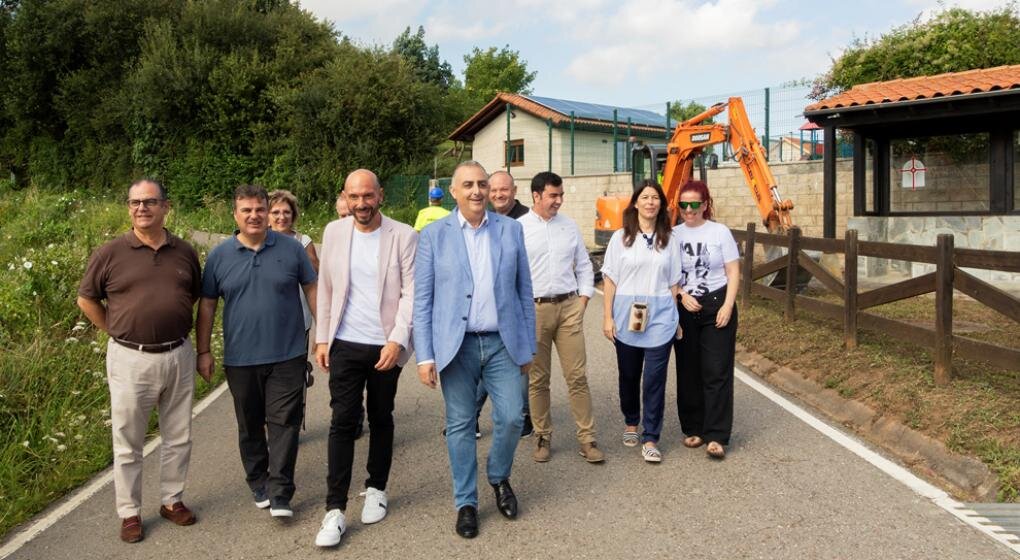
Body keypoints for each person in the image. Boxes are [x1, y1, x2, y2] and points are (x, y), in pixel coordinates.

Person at [414, 161, 535, 539]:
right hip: (457, 346)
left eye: (482, 184)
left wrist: (528, 344)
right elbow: (423, 300)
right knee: (461, 426)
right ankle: (466, 502)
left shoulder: (511, 230)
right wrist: (425, 355)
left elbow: (523, 291)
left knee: (513, 417)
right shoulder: (434, 235)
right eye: (468, 185)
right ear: (453, 191)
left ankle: (498, 477)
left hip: (503, 342)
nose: (477, 191)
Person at [77, 179, 202, 543]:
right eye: (135, 202)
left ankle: (172, 500)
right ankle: (129, 512)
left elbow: (192, 295)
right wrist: (116, 331)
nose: (141, 208)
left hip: (177, 353)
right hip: (130, 358)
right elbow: (87, 300)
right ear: (129, 208)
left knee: (178, 435)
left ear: (166, 206)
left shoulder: (185, 252)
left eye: (149, 202)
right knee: (127, 439)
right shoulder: (109, 253)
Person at [196, 184, 317, 519]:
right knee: (250, 425)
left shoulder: (291, 250)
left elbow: (311, 287)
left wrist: (324, 336)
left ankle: (281, 491)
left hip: (288, 354)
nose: (254, 215)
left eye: (259, 209)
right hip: (241, 358)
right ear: (235, 215)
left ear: (268, 211)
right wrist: (203, 351)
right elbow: (207, 306)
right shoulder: (219, 256)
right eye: (246, 210)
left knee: (285, 422)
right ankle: (258, 479)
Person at [313, 170, 417, 547]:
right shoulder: (334, 232)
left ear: (380, 195)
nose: (361, 204)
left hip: (384, 346)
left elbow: (411, 293)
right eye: (354, 197)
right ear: (345, 197)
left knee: (380, 416)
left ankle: (377, 487)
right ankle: (334, 509)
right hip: (344, 342)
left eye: (368, 196)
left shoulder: (403, 235)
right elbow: (325, 287)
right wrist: (322, 337)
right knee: (342, 421)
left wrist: (396, 339)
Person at [517, 171, 602, 464]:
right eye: (553, 195)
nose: (559, 201)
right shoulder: (519, 228)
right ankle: (542, 435)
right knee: (538, 379)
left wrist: (584, 300)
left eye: (561, 195)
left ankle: (587, 439)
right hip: (535, 311)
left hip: (568, 308)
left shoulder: (569, 226)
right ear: (536, 196)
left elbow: (584, 265)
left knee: (577, 377)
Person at [601, 180, 682, 464]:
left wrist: (676, 318)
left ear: (661, 205)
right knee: (629, 375)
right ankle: (631, 421)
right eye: (645, 197)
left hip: (660, 315)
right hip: (626, 314)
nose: (650, 202)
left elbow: (674, 282)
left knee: (655, 379)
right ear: (635, 203)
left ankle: (651, 437)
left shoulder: (670, 240)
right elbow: (609, 279)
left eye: (655, 198)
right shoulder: (620, 238)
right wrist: (608, 316)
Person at [672, 180, 740, 460]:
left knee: (716, 371)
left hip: (716, 305)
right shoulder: (673, 234)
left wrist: (728, 305)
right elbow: (666, 274)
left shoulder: (719, 232)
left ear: (705, 204)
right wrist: (679, 294)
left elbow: (733, 271)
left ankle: (717, 434)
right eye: (683, 204)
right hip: (685, 307)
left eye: (694, 204)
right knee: (688, 372)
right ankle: (694, 427)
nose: (689, 210)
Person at [480, 169, 532, 437]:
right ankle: (472, 416)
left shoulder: (525, 220)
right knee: (485, 363)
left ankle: (523, 416)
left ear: (514, 191)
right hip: (488, 307)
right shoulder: (483, 220)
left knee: (519, 362)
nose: (499, 194)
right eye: (494, 190)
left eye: (504, 189)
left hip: (518, 304)